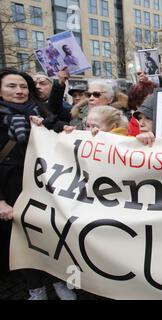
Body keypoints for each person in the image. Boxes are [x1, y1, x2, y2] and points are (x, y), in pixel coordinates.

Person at [0, 68, 76, 299]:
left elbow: (60, 126)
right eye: (11, 86)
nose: (19, 91)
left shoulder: (38, 112)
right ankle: (35, 288)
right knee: (24, 243)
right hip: (11, 191)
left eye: (23, 86)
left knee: (52, 238)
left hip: (44, 190)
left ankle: (60, 282)